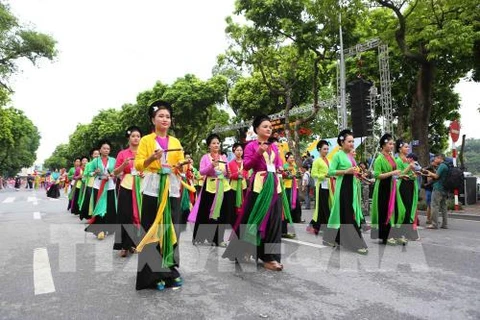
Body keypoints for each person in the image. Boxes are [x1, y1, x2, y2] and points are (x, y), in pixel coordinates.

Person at [223, 114, 290, 271]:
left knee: (274, 221)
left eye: (270, 127)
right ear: (256, 129)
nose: (268, 129)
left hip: (274, 185)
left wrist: (280, 168)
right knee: (251, 220)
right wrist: (258, 153)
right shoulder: (251, 146)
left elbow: (279, 163)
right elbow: (246, 166)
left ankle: (270, 257)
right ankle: (243, 249)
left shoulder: (274, 146)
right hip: (259, 186)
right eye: (265, 126)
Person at [134, 100, 185, 291]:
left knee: (171, 227)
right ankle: (152, 274)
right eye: (161, 116)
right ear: (153, 119)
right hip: (153, 187)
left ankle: (170, 270)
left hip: (171, 187)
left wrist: (183, 164)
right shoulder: (147, 140)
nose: (165, 119)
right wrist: (152, 158)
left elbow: (179, 162)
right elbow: (138, 165)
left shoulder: (176, 142)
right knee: (151, 228)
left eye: (168, 117)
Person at [322, 129, 368, 254]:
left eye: (353, 141)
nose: (352, 143)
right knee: (348, 214)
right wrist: (345, 172)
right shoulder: (337, 155)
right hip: (343, 187)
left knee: (343, 214)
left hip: (352, 186)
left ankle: (330, 238)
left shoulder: (351, 155)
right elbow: (330, 172)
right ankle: (356, 243)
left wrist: (359, 173)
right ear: (342, 142)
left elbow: (354, 170)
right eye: (349, 141)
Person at [190, 133, 233, 247]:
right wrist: (211, 166)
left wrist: (228, 173)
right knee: (205, 213)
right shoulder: (205, 157)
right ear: (209, 145)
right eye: (213, 143)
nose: (216, 145)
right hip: (210, 187)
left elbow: (227, 172)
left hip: (223, 187)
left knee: (223, 213)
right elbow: (201, 172)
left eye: (218, 143)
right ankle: (199, 238)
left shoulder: (223, 157)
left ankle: (219, 239)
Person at [113, 126, 142, 257]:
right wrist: (123, 165)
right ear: (129, 138)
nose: (136, 138)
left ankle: (134, 244)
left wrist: (144, 173)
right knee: (124, 216)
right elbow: (115, 172)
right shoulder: (122, 154)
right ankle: (123, 246)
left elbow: (150, 169)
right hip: (126, 186)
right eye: (133, 136)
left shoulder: (144, 153)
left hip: (141, 187)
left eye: (138, 136)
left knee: (138, 216)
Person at [370, 134, 402, 245]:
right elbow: (377, 175)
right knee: (384, 211)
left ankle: (394, 234)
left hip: (392, 185)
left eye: (393, 144)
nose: (392, 146)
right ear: (383, 145)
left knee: (394, 210)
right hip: (383, 187)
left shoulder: (391, 157)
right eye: (390, 144)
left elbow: (396, 172)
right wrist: (393, 173)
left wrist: (400, 175)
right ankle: (385, 236)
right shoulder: (379, 159)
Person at [85, 141, 117, 240]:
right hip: (98, 186)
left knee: (110, 207)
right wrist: (95, 172)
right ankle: (99, 230)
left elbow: (117, 171)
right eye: (104, 148)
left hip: (110, 186)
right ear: (100, 150)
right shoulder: (95, 161)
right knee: (99, 207)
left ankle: (110, 228)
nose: (106, 150)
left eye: (108, 149)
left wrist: (113, 174)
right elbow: (88, 174)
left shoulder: (113, 160)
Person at [394, 141, 420, 241]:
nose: (408, 148)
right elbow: (398, 174)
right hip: (402, 186)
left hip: (410, 185)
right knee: (403, 209)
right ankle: (400, 232)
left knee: (409, 209)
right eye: (406, 147)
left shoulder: (407, 159)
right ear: (400, 149)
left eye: (408, 147)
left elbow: (409, 173)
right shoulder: (398, 160)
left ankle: (408, 233)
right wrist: (409, 167)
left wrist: (414, 174)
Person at [308, 140, 334, 235]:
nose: (326, 151)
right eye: (324, 149)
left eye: (327, 149)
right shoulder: (317, 161)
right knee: (323, 206)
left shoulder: (329, 160)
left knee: (326, 206)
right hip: (321, 186)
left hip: (329, 186)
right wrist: (324, 175)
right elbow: (313, 174)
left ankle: (314, 225)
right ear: (319, 149)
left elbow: (331, 172)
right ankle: (324, 226)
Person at [425, 154, 449, 229]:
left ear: (440, 158)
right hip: (445, 188)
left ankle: (434, 224)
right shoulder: (447, 165)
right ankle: (445, 224)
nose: (434, 160)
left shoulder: (442, 166)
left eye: (435, 158)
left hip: (438, 188)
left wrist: (429, 173)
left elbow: (436, 176)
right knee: (444, 206)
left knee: (434, 205)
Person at [78, 149, 100, 221]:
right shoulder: (88, 164)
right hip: (90, 184)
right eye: (95, 154)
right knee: (90, 201)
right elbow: (85, 174)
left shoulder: (102, 163)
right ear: (92, 155)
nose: (97, 155)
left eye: (98, 154)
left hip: (100, 184)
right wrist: (93, 173)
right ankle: (90, 217)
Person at [229, 143, 248, 218]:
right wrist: (237, 174)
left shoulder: (246, 163)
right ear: (234, 151)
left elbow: (247, 174)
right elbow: (229, 175)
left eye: (241, 150)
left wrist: (243, 174)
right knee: (233, 206)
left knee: (244, 205)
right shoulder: (230, 164)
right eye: (237, 150)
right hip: (233, 187)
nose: (239, 152)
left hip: (243, 187)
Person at [422, 159, 436, 225]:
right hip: (430, 189)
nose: (436, 163)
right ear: (432, 162)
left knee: (430, 205)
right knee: (430, 205)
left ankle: (431, 219)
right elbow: (429, 180)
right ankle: (429, 219)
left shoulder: (428, 169)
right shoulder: (429, 169)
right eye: (434, 161)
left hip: (429, 188)